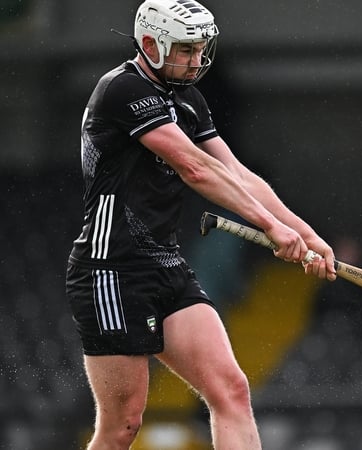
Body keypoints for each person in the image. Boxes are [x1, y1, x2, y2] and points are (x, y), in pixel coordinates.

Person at [64, 1, 336, 449]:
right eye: (185, 50)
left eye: (200, 50)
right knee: (122, 427)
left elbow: (237, 174)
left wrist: (305, 233)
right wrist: (271, 228)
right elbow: (195, 167)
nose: (196, 61)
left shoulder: (188, 99)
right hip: (111, 271)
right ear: (150, 44)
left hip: (165, 267)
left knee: (231, 389)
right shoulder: (122, 90)